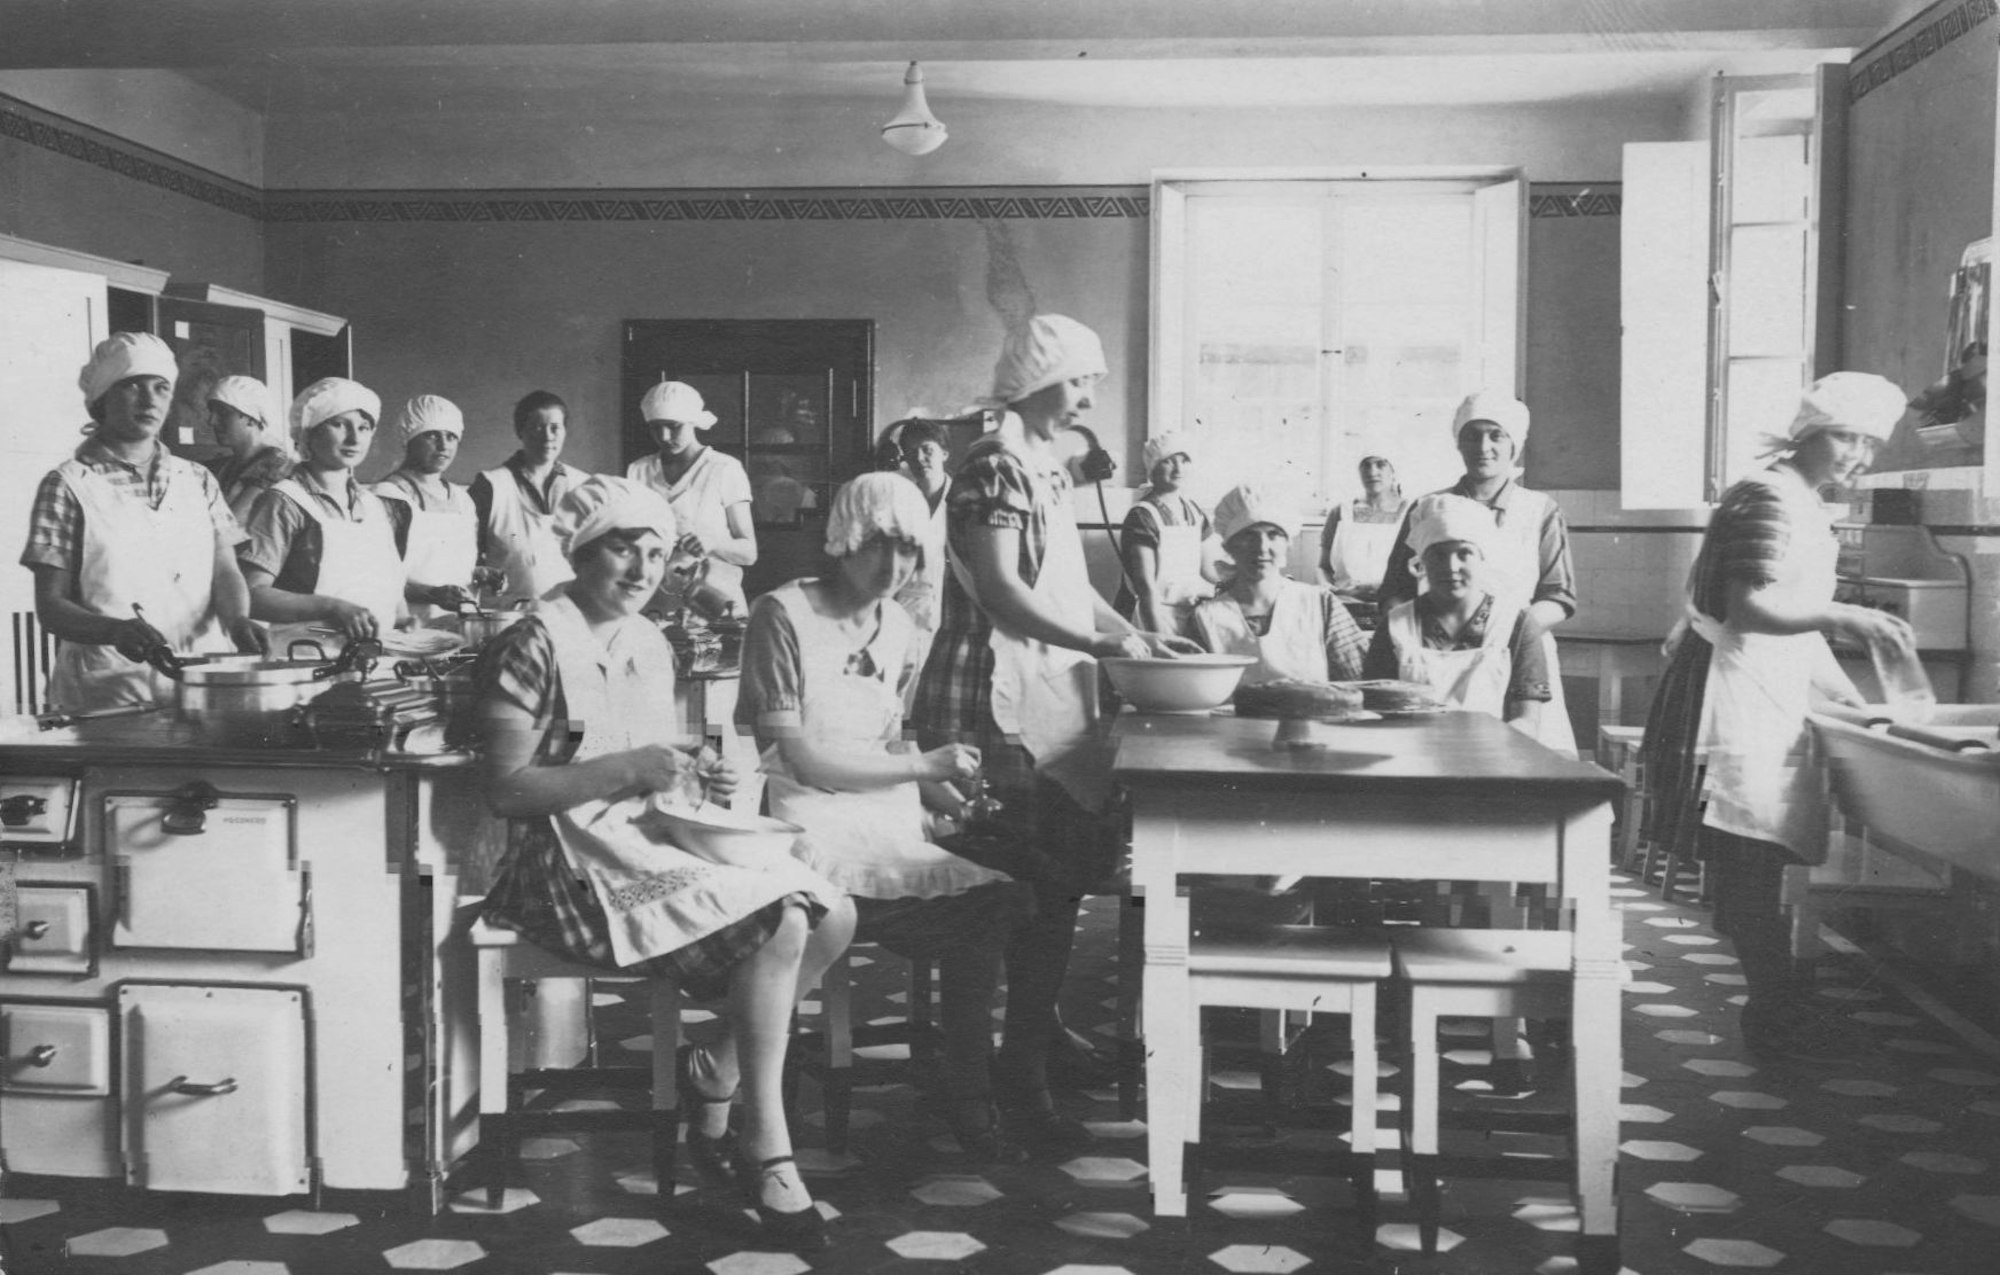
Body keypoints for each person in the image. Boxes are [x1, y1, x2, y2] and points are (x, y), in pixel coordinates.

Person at [475, 475, 852, 1250]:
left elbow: (655, 755)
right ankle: (763, 1146)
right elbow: (507, 791)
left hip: (641, 835)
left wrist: (695, 770)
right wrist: (631, 771)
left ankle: (714, 1070)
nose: (642, 568)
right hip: (558, 863)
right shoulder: (532, 639)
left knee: (834, 911)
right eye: (622, 547)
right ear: (582, 550)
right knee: (782, 919)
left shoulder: (650, 638)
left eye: (655, 551)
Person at [910, 314, 1196, 1143]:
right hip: (986, 698)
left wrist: (1135, 627)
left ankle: (1030, 1043)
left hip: (1056, 689)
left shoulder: (1046, 468)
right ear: (1033, 382)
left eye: (1092, 382)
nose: (1088, 397)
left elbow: (1068, 588)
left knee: (1062, 877)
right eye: (1077, 380)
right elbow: (1001, 592)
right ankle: (986, 1073)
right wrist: (1101, 642)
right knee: (996, 890)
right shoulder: (991, 469)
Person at [740, 472, 1033, 1159]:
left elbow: (892, 738)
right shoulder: (780, 614)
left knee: (995, 898)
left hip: (884, 816)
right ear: (843, 536)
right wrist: (922, 768)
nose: (894, 567)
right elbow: (804, 760)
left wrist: (946, 795)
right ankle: (760, 1107)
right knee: (827, 905)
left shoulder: (900, 624)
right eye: (879, 546)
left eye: (908, 552)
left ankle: (968, 1089)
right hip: (803, 819)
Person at [1639, 372, 1915, 1062]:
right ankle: (1774, 1008)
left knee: (1756, 864)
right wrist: (1844, 613)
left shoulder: (1801, 501)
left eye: (1872, 445)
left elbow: (1797, 628)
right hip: (1725, 699)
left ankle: (1777, 1002)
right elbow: (1747, 609)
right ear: (1814, 432)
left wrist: (1853, 697)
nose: (1862, 457)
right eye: (1853, 439)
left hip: (1760, 693)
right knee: (1748, 864)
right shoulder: (1766, 498)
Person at [20, 332, 268, 712]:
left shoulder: (198, 480)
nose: (150, 399)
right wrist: (114, 630)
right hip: (106, 690)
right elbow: (51, 604)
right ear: (103, 398)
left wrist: (238, 621)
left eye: (161, 388)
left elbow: (225, 570)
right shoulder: (68, 485)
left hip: (200, 680)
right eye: (132, 387)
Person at [1379, 392, 1579, 754]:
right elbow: (1395, 590)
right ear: (1458, 443)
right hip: (1431, 661)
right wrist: (1411, 638)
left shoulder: (1539, 511)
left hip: (1519, 660)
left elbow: (1559, 597)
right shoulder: (1427, 509)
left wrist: (1509, 635)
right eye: (1472, 435)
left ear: (1514, 444)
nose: (1483, 446)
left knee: (1521, 765)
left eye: (1495, 435)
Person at [239, 377, 409, 643]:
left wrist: (405, 621)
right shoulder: (284, 501)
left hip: (378, 659)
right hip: (308, 660)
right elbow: (252, 594)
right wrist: (332, 608)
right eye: (339, 424)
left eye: (364, 428)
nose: (354, 438)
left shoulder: (374, 505)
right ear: (309, 433)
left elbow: (393, 596)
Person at [1363, 494, 1550, 733]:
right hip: (1411, 760)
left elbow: (1527, 720)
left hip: (1492, 761)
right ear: (1422, 562)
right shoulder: (1395, 625)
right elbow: (1375, 712)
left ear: (1483, 558)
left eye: (1464, 553)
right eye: (1438, 555)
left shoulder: (1516, 624)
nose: (1451, 566)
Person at [1185, 483, 1368, 685]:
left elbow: (1358, 684)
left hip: (1316, 715)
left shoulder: (1321, 605)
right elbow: (1194, 693)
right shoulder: (1205, 618)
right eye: (1249, 536)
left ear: (1288, 543)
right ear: (1229, 546)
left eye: (1273, 535)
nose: (1262, 548)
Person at [626, 381, 757, 615]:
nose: (664, 436)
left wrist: (713, 542)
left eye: (673, 426)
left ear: (692, 421)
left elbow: (749, 552)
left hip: (714, 602)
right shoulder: (639, 471)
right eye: (656, 428)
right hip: (656, 602)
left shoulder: (723, 468)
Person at [373, 395, 478, 622]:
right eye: (432, 435)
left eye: (451, 437)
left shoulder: (462, 500)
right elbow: (377, 577)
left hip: (459, 625)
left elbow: (452, 567)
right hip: (409, 628)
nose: (443, 445)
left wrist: (479, 574)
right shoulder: (389, 496)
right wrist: (433, 594)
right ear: (409, 439)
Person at [471, 390, 582, 605]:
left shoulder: (583, 485)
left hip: (569, 617)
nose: (548, 436)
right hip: (508, 617)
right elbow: (466, 557)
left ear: (565, 431)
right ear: (520, 430)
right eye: (538, 427)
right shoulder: (491, 485)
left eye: (555, 428)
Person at [1113, 431, 1220, 633]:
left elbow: (1212, 570)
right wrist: (1160, 639)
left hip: (1185, 614)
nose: (1179, 468)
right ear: (1152, 468)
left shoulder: (1194, 512)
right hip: (1146, 618)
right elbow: (1146, 588)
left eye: (1184, 460)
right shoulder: (1142, 517)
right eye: (1169, 461)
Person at [1318, 454, 1407, 627]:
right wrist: (1335, 591)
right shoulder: (1340, 512)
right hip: (1344, 607)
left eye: (1380, 464)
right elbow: (1323, 567)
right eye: (1366, 465)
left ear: (1393, 471)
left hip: (1394, 610)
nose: (1372, 471)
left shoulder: (1410, 512)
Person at [889, 418, 953, 648]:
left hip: (948, 606)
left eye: (927, 450)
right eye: (911, 451)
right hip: (904, 605)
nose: (919, 458)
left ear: (944, 453)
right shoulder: (900, 501)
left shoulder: (962, 501)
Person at [205, 374, 293, 523]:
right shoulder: (227, 466)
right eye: (212, 412)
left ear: (252, 419)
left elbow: (231, 528)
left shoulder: (275, 466)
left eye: (223, 413)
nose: (211, 421)